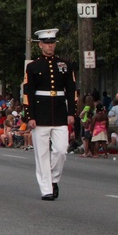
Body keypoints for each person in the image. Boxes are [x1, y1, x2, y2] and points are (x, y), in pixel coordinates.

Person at [23, 29, 77, 201]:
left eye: (52, 43)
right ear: (40, 45)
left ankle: (53, 179)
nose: (50, 46)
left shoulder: (65, 64)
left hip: (60, 112)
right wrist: (30, 115)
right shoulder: (33, 66)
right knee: (42, 154)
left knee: (61, 150)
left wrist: (71, 112)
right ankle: (46, 189)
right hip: (40, 113)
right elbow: (28, 92)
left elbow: (71, 90)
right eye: (46, 43)